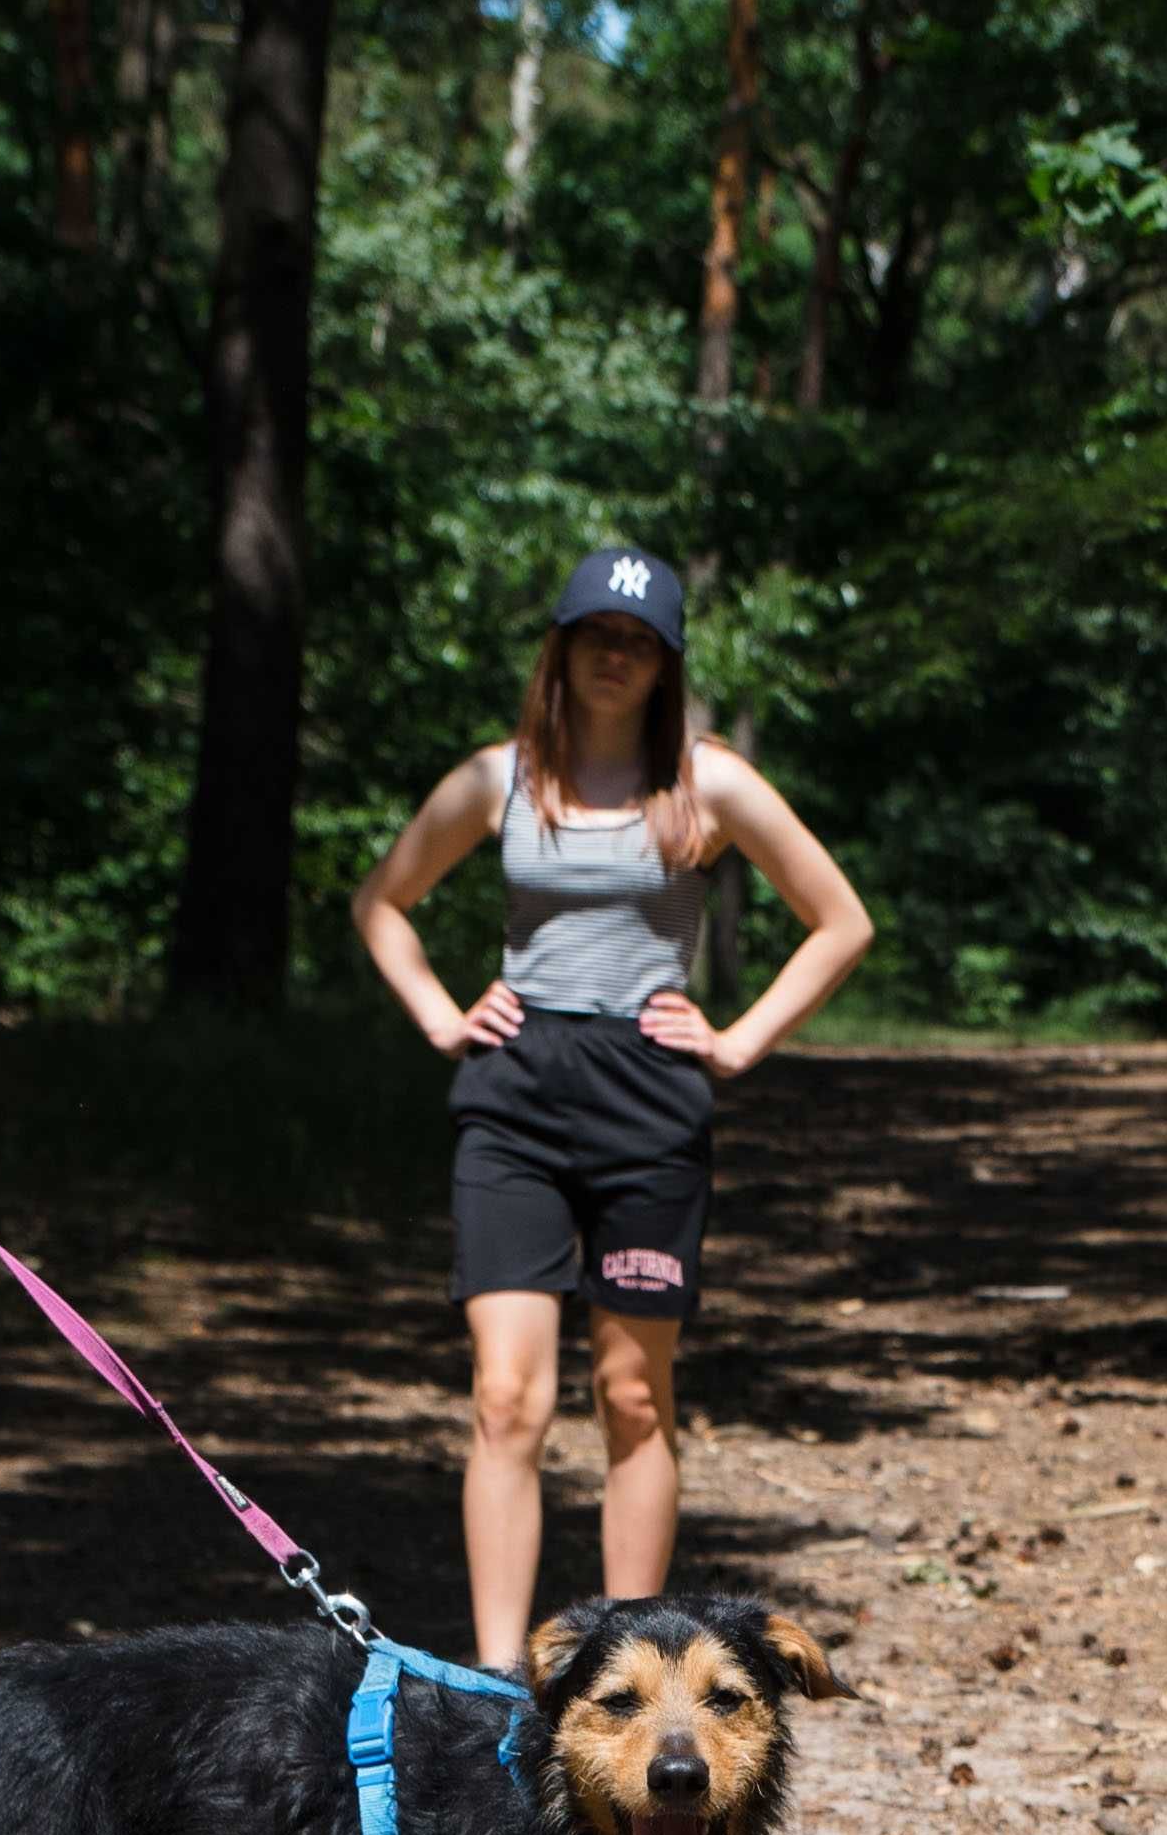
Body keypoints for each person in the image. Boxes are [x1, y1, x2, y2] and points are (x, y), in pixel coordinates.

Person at [349, 549, 873, 1666]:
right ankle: (498, 1678)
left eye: (637, 639)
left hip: (649, 1094)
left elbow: (841, 919)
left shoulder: (708, 782)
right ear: (562, 645)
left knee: (633, 1392)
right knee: (506, 1396)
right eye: (596, 633)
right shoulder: (498, 780)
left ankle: (627, 1664)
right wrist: (444, 1013)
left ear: (665, 661)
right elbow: (384, 901)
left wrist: (735, 1039)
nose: (613, 654)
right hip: (516, 1093)